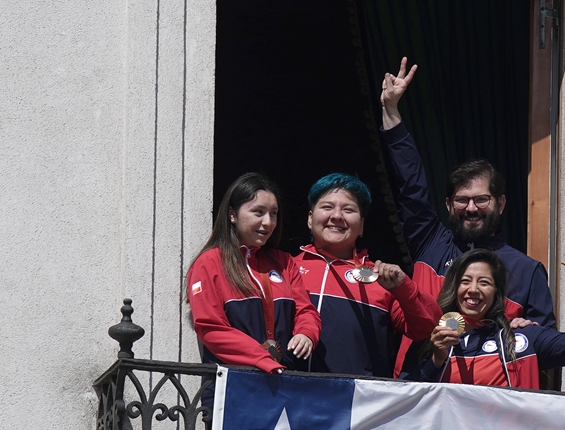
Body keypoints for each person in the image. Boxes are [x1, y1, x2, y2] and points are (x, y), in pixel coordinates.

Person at [379, 57, 556, 376]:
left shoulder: (527, 271)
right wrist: (391, 113)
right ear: (448, 204)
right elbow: (411, 186)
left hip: (489, 409)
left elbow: (547, 352)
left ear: (500, 203)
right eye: (462, 200)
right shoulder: (429, 243)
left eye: (481, 199)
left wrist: (528, 330)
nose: (471, 208)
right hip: (420, 394)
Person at [186, 172, 321, 409]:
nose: (268, 222)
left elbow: (306, 310)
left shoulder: (285, 262)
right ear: (232, 215)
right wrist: (262, 359)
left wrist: (306, 333)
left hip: (285, 386)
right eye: (258, 212)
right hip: (233, 389)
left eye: (274, 214)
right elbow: (210, 328)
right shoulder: (209, 263)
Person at [294, 173, 441, 377]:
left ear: (361, 226)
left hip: (357, 402)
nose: (336, 216)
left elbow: (427, 328)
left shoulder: (381, 279)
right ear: (310, 219)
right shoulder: (286, 269)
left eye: (348, 209)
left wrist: (403, 287)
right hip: (290, 397)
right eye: (327, 207)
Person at [420, 237, 565, 389]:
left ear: (497, 293)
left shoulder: (522, 338)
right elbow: (406, 397)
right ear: (454, 287)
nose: (473, 289)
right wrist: (436, 359)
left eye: (484, 282)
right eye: (465, 281)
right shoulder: (435, 340)